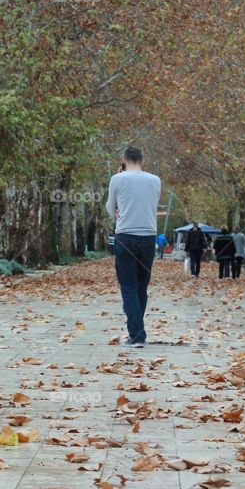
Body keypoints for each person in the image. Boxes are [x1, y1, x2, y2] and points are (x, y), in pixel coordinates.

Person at [105, 146, 161, 349]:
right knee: (141, 286)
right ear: (142, 160)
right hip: (148, 237)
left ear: (124, 160)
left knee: (128, 286)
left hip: (126, 236)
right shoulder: (155, 180)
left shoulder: (117, 179)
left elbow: (110, 208)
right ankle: (137, 332)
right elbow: (151, 204)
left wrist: (120, 210)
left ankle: (137, 335)